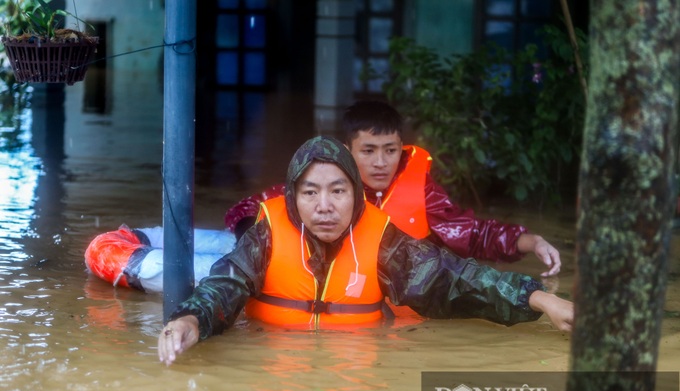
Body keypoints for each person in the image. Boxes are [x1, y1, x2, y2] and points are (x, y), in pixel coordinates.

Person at [158, 136, 573, 365]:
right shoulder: (266, 235)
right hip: (270, 364)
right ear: (293, 199)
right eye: (311, 192)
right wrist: (191, 320)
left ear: (356, 197)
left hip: (357, 376)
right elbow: (224, 283)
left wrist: (538, 298)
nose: (324, 206)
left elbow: (456, 279)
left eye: (338, 191)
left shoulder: (382, 242)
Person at [225, 100, 562, 277]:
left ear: (402, 147)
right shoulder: (321, 182)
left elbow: (472, 234)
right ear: (347, 150)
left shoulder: (422, 191)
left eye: (390, 150)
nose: (381, 162)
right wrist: (251, 241)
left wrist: (531, 241)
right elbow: (247, 208)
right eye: (369, 151)